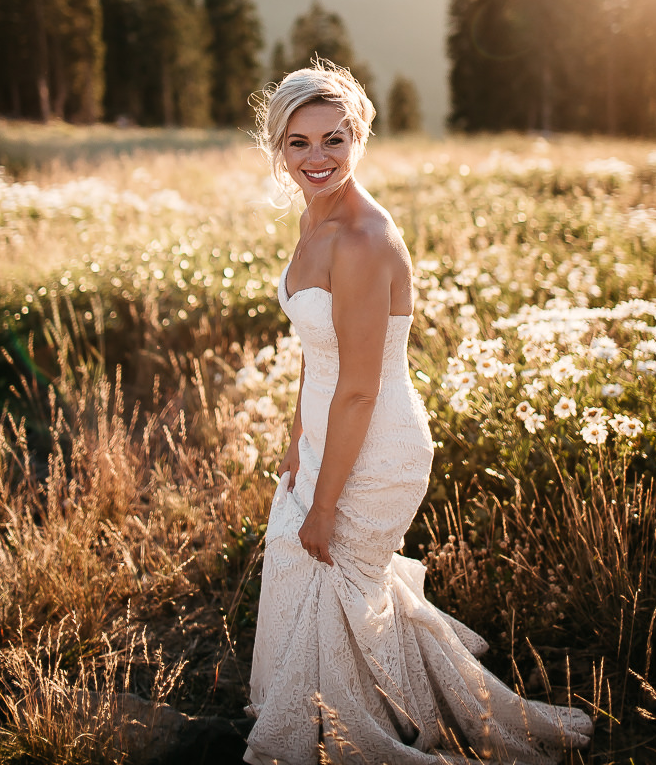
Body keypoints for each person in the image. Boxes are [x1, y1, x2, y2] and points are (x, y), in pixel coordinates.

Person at [245, 61, 592, 765]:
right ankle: (332, 718)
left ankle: (356, 737)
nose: (317, 158)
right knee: (322, 585)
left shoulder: (364, 239)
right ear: (278, 146)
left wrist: (324, 503)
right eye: (299, 143)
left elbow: (360, 389)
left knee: (328, 575)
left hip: (374, 446)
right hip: (327, 434)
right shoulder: (316, 218)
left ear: (358, 136)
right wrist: (293, 444)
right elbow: (319, 355)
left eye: (333, 140)